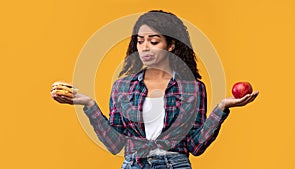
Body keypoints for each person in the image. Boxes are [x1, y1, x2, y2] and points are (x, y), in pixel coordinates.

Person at [51, 10, 259, 169]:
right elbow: (115, 144)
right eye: (140, 41)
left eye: (154, 41)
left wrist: (222, 108)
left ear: (171, 46)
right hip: (134, 164)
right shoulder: (123, 87)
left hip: (175, 164)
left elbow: (196, 146)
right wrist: (88, 105)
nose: (145, 47)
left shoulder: (193, 89)